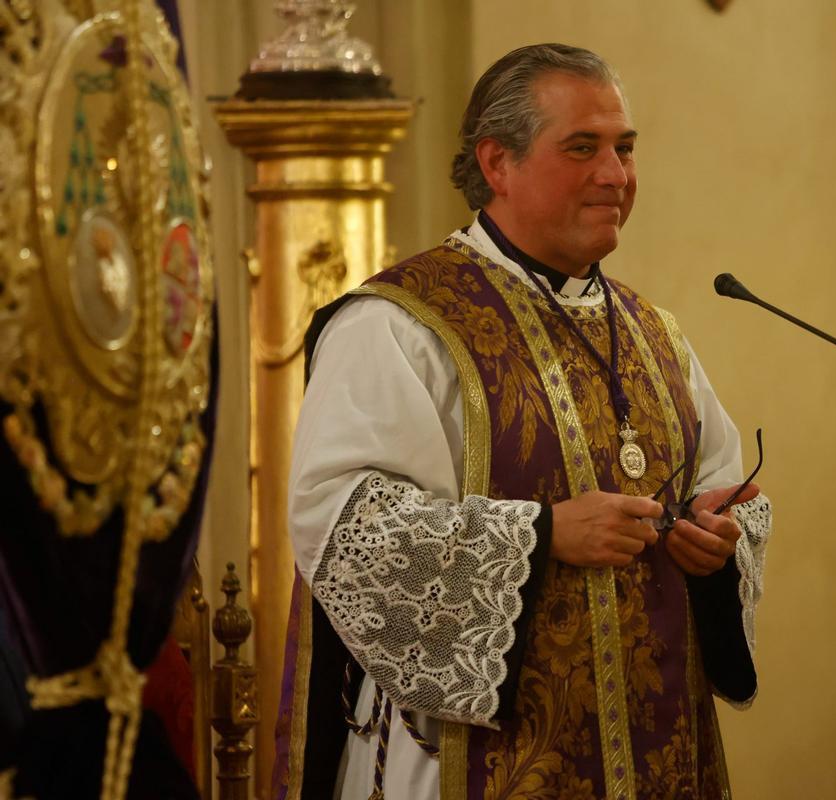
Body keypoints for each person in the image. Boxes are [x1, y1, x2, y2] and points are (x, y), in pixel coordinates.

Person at [273, 43, 772, 800]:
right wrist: (541, 535)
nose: (616, 175)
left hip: (655, 750)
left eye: (624, 148)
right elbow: (340, 523)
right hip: (467, 760)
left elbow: (724, 482)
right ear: (497, 163)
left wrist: (718, 533)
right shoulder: (402, 325)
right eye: (583, 148)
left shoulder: (653, 333)